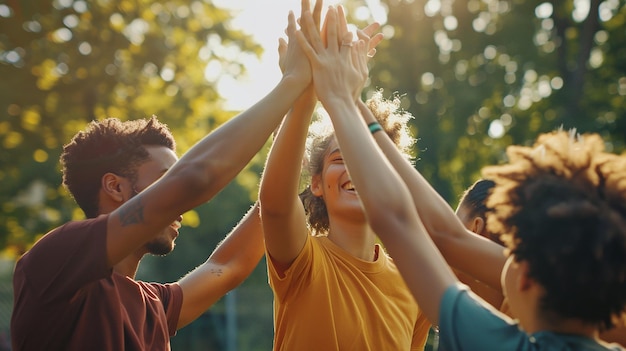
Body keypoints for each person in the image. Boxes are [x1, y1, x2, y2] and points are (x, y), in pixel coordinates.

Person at [298, 5, 626, 350]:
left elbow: (421, 227)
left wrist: (340, 99)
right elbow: (445, 233)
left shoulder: (494, 341)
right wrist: (354, 104)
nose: (503, 260)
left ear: (526, 277)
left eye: (514, 254)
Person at [10, 7, 313, 349]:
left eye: (174, 182)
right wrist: (291, 83)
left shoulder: (153, 305)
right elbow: (196, 178)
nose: (177, 201)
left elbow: (229, 265)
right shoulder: (56, 260)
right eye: (165, 179)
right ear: (115, 187)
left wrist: (301, 108)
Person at [258, 3, 430, 350]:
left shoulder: (416, 287)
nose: (354, 166)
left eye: (367, 157)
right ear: (317, 184)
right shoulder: (302, 260)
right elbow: (274, 206)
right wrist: (304, 94)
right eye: (339, 158)